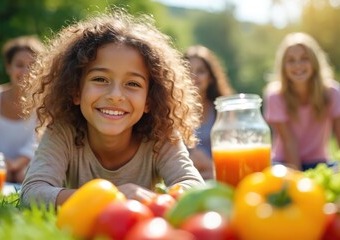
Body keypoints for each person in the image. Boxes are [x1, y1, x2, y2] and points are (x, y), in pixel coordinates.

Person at [20, 11, 205, 208]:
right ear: (75, 90)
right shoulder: (62, 131)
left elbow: (194, 188)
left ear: (149, 100)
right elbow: (32, 193)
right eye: (100, 79)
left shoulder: (160, 136)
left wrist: (153, 200)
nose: (116, 95)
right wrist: (110, 198)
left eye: (133, 84)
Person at [263, 32, 340, 171]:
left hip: (320, 164)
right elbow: (288, 142)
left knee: (338, 170)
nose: (298, 65)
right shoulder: (275, 95)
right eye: (291, 60)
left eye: (304, 58)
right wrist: (299, 182)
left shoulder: (333, 92)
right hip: (283, 163)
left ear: (314, 62)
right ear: (283, 66)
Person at [0, 35, 44, 183]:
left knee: (24, 176)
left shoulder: (43, 102)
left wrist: (17, 163)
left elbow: (36, 141)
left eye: (32, 66)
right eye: (19, 65)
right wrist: (0, 162)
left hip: (27, 164)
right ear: (8, 67)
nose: (26, 71)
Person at [184, 45, 235, 179]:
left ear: (211, 77)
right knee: (196, 156)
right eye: (189, 70)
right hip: (187, 172)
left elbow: (231, 150)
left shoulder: (222, 109)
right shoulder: (173, 109)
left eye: (200, 71)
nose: (194, 76)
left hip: (218, 169)